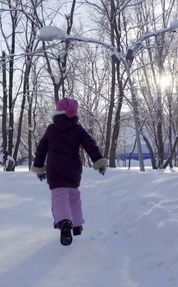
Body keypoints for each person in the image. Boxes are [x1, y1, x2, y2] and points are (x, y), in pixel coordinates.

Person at [32, 97, 107, 246]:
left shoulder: (51, 130)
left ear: (58, 111)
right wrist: (98, 161)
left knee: (59, 196)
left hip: (55, 169)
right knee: (73, 195)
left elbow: (41, 149)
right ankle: (77, 225)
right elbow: (90, 145)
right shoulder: (78, 129)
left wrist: (39, 168)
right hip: (73, 169)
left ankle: (65, 222)